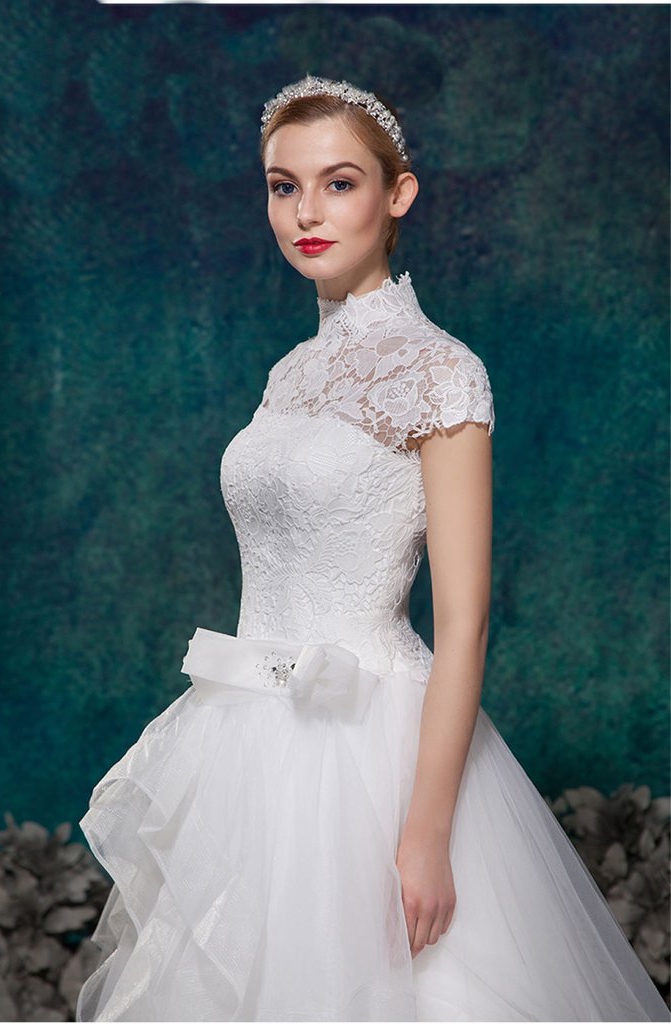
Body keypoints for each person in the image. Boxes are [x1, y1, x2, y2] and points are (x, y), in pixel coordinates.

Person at [76, 75, 670, 1023]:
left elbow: (465, 622)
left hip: (371, 753)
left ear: (399, 195)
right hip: (243, 744)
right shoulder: (289, 373)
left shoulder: (440, 371)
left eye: (339, 183)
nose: (305, 213)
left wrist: (424, 835)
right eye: (283, 186)